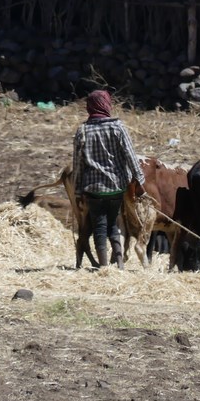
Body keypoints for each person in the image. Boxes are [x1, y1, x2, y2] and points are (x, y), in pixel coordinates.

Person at [72, 90, 145, 269]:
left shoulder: (83, 130)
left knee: (99, 226)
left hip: (93, 188)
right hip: (116, 186)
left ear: (90, 107)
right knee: (113, 223)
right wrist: (139, 181)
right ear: (106, 105)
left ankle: (104, 266)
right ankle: (119, 264)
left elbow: (78, 164)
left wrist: (78, 190)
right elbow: (131, 156)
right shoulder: (118, 127)